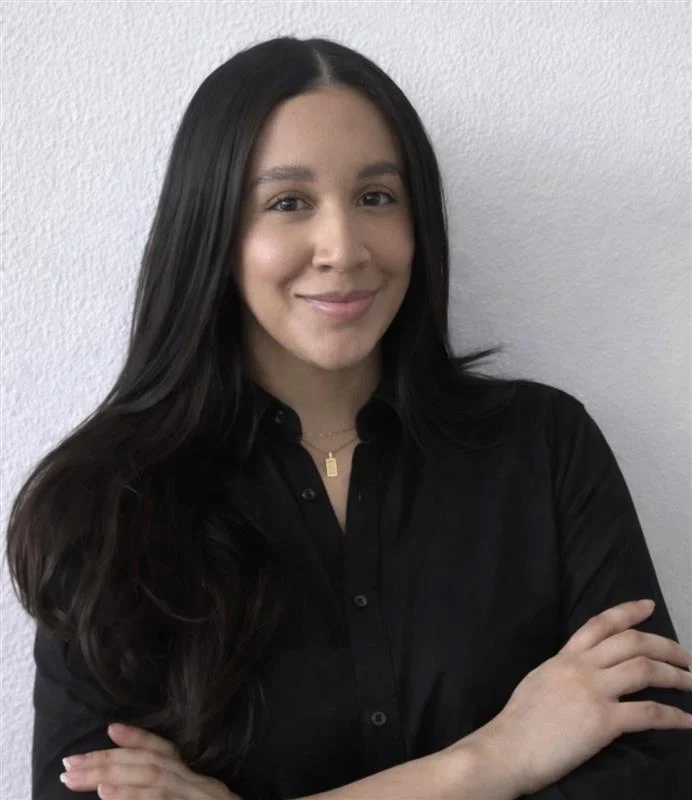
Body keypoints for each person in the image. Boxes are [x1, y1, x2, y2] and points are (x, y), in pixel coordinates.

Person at [5, 36, 692, 800]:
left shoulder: (547, 448)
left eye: (376, 197)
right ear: (214, 232)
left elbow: (656, 771)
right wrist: (495, 760)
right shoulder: (106, 503)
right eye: (288, 202)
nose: (344, 247)